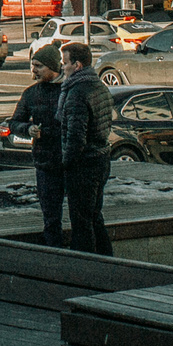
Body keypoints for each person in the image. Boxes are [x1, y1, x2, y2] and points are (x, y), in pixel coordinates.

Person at [56, 42, 115, 255]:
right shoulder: (99, 86)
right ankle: (107, 261)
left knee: (81, 221)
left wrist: (65, 164)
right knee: (94, 216)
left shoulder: (76, 93)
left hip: (83, 165)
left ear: (77, 65)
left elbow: (75, 136)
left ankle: (85, 266)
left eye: (65, 63)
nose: (63, 68)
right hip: (101, 159)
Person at [8, 58, 67, 246]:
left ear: (53, 68)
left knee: (81, 215)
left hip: (70, 161)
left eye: (39, 66)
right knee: (50, 217)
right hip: (45, 162)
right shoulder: (31, 93)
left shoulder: (68, 91)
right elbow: (14, 122)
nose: (34, 70)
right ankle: (53, 255)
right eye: (33, 66)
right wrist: (28, 129)